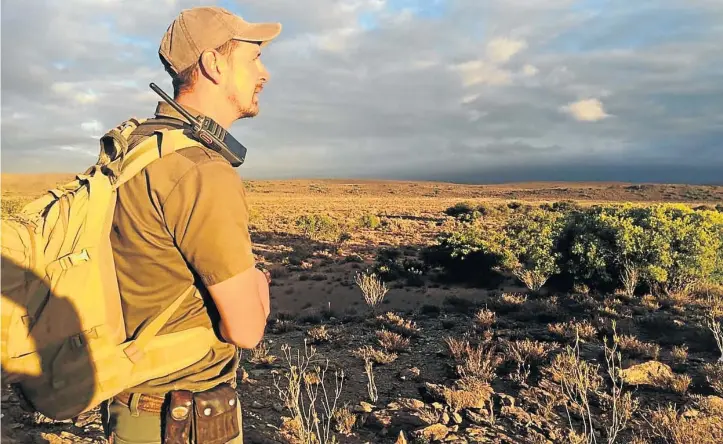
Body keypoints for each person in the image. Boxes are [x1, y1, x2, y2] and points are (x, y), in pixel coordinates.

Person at [100, 6, 281, 444]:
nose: (265, 73)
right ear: (213, 64)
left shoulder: (139, 149)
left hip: (132, 406)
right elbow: (247, 329)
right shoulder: (200, 169)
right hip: (181, 424)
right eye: (253, 57)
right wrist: (258, 280)